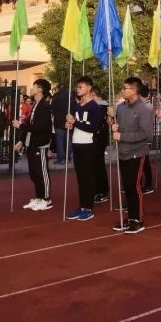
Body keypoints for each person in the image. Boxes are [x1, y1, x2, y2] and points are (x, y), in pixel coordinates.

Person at [112, 77, 153, 234]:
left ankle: (137, 219)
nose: (123, 91)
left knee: (134, 187)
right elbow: (120, 129)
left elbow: (147, 134)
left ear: (134, 90)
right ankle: (130, 217)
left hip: (136, 153)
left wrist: (122, 137)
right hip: (123, 153)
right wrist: (114, 126)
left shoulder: (144, 108)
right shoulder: (121, 108)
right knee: (127, 187)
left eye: (125, 88)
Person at [65, 77, 101, 221]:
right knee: (80, 178)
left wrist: (76, 122)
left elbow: (93, 127)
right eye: (77, 87)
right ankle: (82, 206)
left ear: (89, 88)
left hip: (88, 145)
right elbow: (76, 125)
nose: (78, 89)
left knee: (88, 177)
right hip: (77, 144)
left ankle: (88, 208)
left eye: (81, 87)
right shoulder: (77, 106)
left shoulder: (94, 106)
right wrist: (70, 126)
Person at [14, 79, 54, 211]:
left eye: (34, 86)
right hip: (32, 143)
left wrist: (21, 125)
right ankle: (38, 197)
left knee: (42, 172)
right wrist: (22, 140)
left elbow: (39, 127)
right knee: (34, 173)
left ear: (40, 90)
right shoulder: (36, 105)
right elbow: (31, 126)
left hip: (40, 144)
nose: (31, 89)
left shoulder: (45, 106)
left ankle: (46, 199)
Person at [91, 87, 110, 204]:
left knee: (98, 165)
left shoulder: (102, 108)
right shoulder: (98, 107)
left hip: (98, 140)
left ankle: (102, 190)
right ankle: (98, 188)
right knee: (96, 165)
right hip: (96, 140)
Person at [51, 85, 71, 165]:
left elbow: (52, 108)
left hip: (58, 122)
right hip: (68, 120)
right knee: (68, 141)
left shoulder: (56, 96)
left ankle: (60, 159)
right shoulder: (70, 96)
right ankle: (68, 158)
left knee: (59, 141)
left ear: (59, 89)